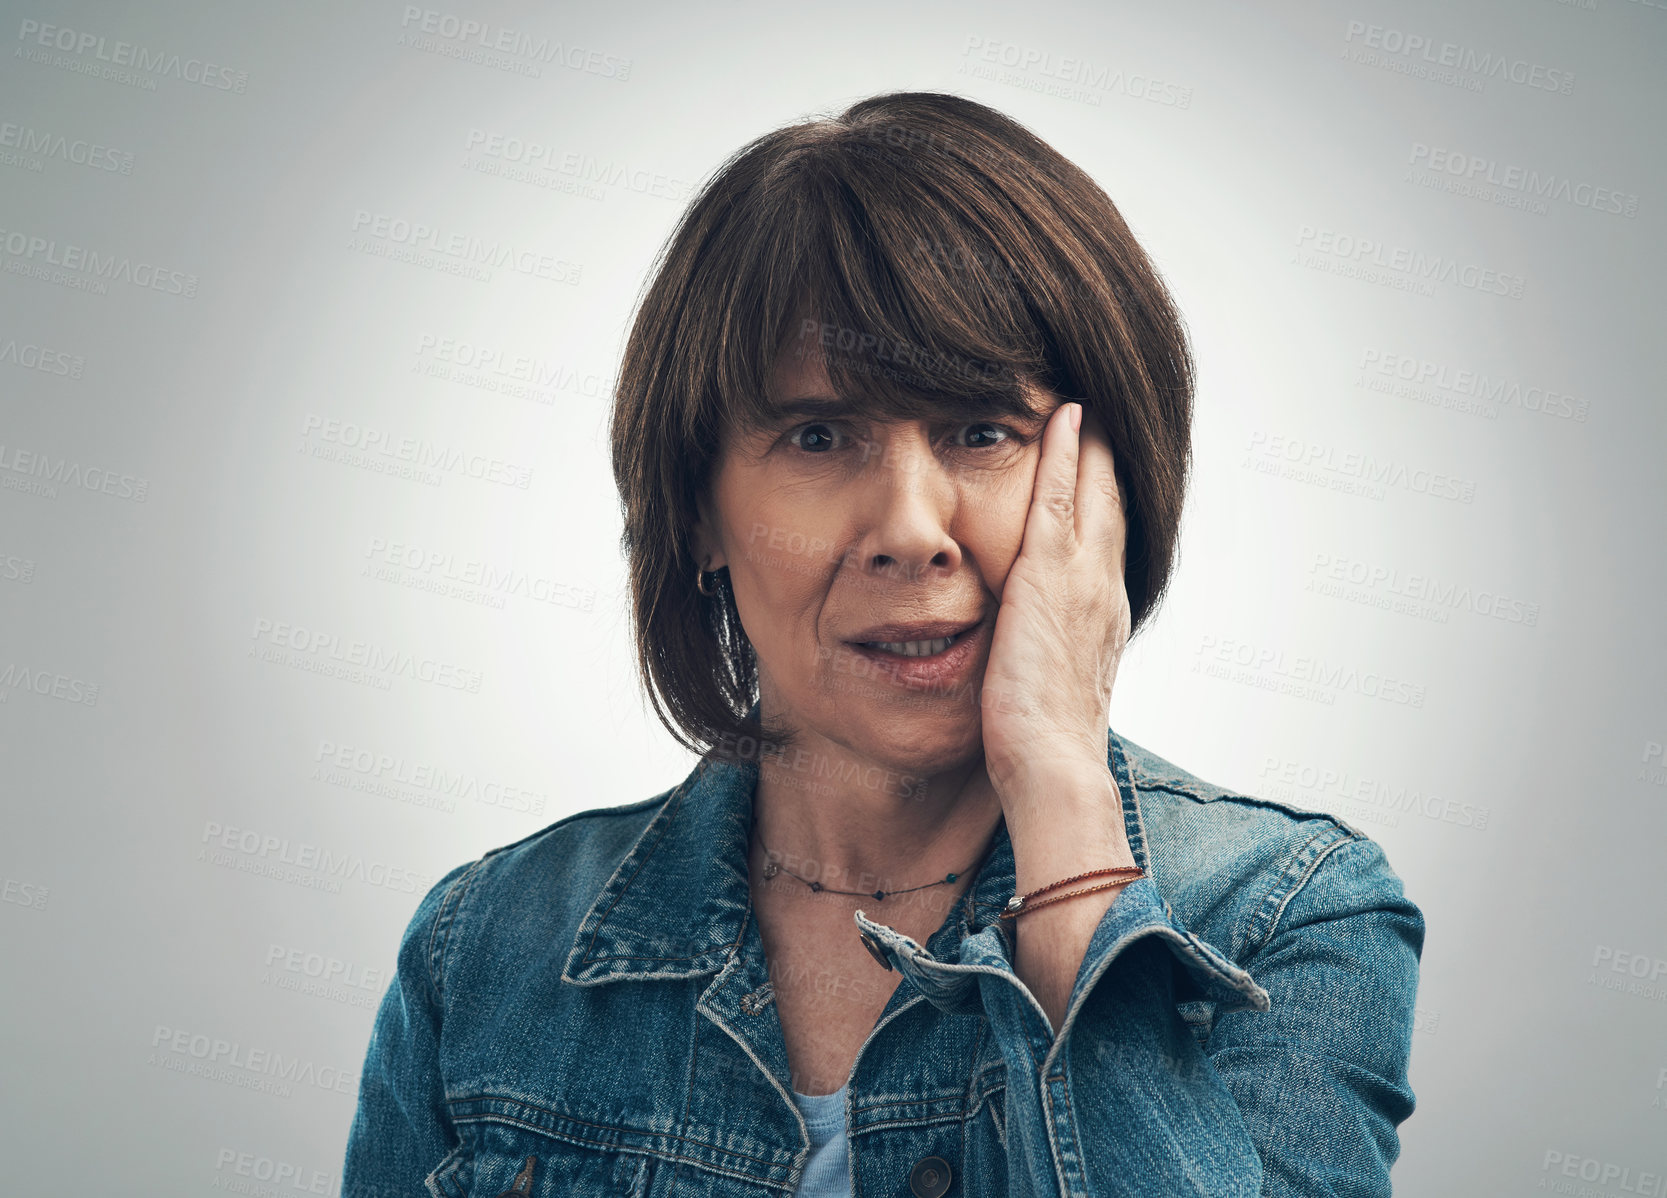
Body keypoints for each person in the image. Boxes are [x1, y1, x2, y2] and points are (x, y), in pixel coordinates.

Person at [343, 90, 1424, 1197]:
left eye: (980, 432)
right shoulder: (483, 946)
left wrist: (1057, 780)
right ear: (697, 508)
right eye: (818, 435)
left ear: (1103, 487)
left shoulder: (1285, 917)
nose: (910, 531)